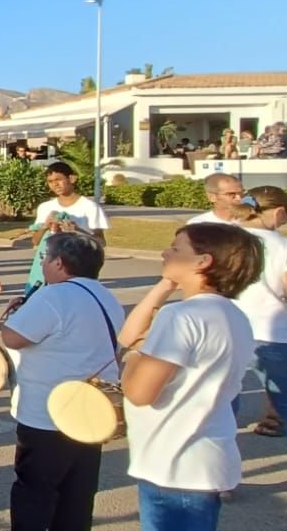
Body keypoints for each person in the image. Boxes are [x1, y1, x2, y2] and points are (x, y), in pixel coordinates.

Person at [119, 224, 261, 529]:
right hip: (202, 459)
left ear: (203, 261)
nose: (165, 252)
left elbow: (139, 392)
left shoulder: (181, 316)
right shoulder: (235, 316)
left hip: (173, 464)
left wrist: (133, 359)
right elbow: (128, 335)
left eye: (176, 248)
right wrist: (166, 284)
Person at [0, 232, 126, 531]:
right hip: (92, 409)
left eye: (44, 258)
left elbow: (12, 338)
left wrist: (14, 316)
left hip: (49, 413)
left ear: (59, 262)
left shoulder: (53, 295)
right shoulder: (106, 295)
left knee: (35, 491)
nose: (42, 264)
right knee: (78, 494)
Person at [225, 187, 287, 495]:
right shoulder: (286, 245)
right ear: (277, 212)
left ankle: (221, 480)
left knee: (223, 407)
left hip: (227, 330)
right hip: (273, 333)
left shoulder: (225, 239)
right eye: (285, 219)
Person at [25, 162, 109, 297]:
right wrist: (44, 226)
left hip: (78, 271)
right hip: (49, 270)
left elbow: (101, 242)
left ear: (71, 179)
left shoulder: (90, 207)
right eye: (50, 181)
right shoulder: (45, 207)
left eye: (58, 179)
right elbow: (35, 241)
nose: (55, 185)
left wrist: (78, 231)